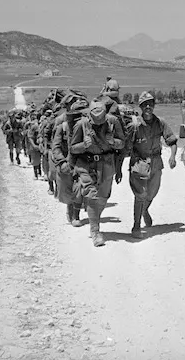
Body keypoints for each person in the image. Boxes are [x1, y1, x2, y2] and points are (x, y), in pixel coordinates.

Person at [70, 100, 125, 247]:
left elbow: (123, 144)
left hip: (107, 164)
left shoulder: (113, 122)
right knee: (92, 195)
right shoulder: (81, 124)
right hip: (87, 165)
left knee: (103, 196)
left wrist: (113, 141)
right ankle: (95, 232)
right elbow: (73, 148)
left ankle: (94, 218)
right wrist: (83, 145)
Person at [123, 91, 177, 239]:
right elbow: (126, 148)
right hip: (139, 162)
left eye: (150, 104)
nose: (148, 107)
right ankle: (136, 226)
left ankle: (144, 210)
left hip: (156, 162)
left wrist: (172, 157)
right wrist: (119, 168)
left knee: (152, 192)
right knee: (140, 194)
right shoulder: (135, 125)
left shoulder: (161, 123)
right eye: (145, 104)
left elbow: (171, 141)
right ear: (140, 107)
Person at [51, 94, 89, 225]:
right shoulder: (62, 127)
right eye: (76, 115)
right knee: (67, 191)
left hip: (82, 163)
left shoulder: (87, 128)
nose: (78, 118)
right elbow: (55, 147)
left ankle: (76, 216)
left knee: (80, 188)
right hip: (66, 164)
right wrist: (61, 162)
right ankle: (70, 209)